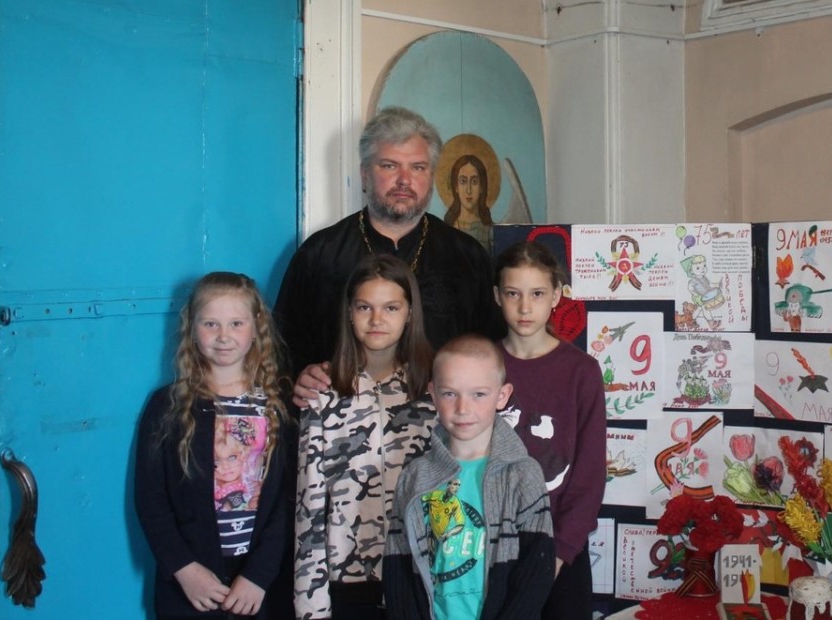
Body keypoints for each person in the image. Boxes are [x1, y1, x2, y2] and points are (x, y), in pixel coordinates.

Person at [274, 106, 504, 404]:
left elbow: (494, 348)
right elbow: (282, 348)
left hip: (444, 421)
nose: (404, 180)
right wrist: (300, 377)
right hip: (342, 422)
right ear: (365, 174)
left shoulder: (467, 257)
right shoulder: (320, 254)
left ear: (432, 177)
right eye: (390, 166)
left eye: (418, 167)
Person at [135, 272, 291, 619]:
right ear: (191, 328)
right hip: (190, 588)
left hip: (258, 587)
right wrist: (184, 569)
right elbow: (150, 498)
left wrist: (259, 575)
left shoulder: (278, 406)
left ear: (256, 327)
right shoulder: (167, 406)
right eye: (210, 324)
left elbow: (287, 499)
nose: (224, 336)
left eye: (236, 323)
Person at [293, 254, 436, 620]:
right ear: (349, 312)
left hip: (422, 575)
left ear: (409, 313)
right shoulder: (323, 393)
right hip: (347, 579)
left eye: (391, 307)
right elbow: (309, 503)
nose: (376, 319)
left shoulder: (436, 392)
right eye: (364, 307)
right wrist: (311, 605)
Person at [384, 334, 554, 619]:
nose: (463, 408)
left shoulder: (523, 475)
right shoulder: (414, 477)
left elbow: (535, 572)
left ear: (502, 396)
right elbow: (397, 567)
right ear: (433, 394)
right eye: (450, 394)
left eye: (479, 394)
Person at [493, 240, 607, 619]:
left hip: (561, 548)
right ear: (497, 296)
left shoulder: (581, 371)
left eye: (537, 294)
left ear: (556, 295)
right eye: (513, 293)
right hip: (493, 547)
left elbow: (589, 472)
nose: (525, 307)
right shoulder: (480, 366)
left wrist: (559, 553)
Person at [443, 154, 493, 252]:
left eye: (474, 182)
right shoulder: (446, 229)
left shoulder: (490, 231)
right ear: (456, 187)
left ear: (481, 187)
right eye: (463, 181)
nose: (469, 190)